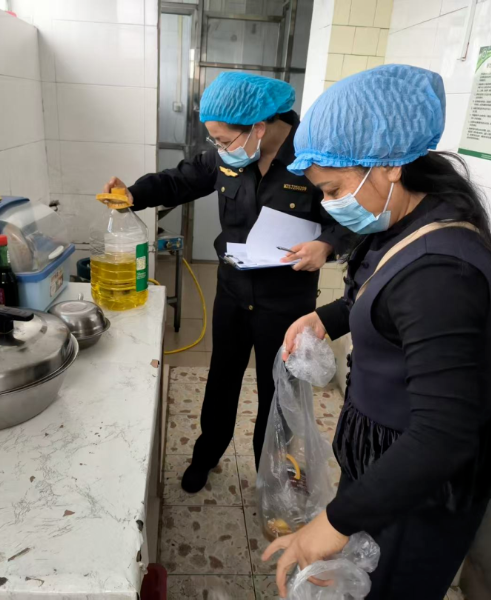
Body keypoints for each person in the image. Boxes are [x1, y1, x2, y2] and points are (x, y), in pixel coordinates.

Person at [263, 65, 491, 599]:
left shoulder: (443, 272)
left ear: (390, 165)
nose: (329, 204)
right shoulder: (407, 221)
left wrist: (333, 523)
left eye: (333, 189)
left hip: (422, 484)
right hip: (392, 464)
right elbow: (379, 294)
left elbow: (443, 436)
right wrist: (327, 318)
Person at [102, 72, 356, 493]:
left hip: (286, 300)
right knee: (222, 378)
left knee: (278, 390)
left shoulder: (313, 157)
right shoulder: (230, 156)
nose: (219, 149)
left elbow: (348, 216)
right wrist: (133, 194)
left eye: (223, 140)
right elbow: (181, 179)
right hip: (233, 291)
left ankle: (270, 474)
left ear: (258, 127)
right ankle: (206, 454)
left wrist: (326, 245)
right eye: (215, 141)